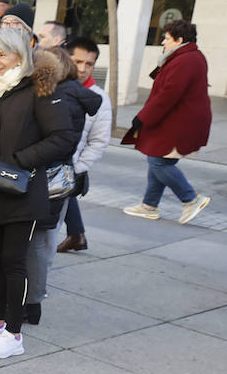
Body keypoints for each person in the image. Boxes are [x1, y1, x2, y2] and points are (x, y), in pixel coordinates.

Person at [0, 27, 77, 359]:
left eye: (3, 54)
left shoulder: (38, 89)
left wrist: (21, 161)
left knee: (13, 261)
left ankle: (14, 332)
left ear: (20, 55)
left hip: (22, 189)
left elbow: (63, 137)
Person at [22, 47, 101, 325]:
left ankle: (31, 302)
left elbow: (54, 141)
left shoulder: (59, 97)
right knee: (42, 241)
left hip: (47, 178)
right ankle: (32, 300)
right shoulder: (72, 94)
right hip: (59, 178)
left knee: (37, 244)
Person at [123, 19, 211, 225]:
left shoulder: (186, 60)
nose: (163, 42)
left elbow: (167, 95)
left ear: (179, 40)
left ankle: (191, 199)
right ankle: (149, 205)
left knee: (158, 161)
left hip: (180, 122)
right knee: (160, 160)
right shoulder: (187, 56)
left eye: (167, 38)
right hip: (179, 120)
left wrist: (142, 118)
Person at [58, 36, 112, 252]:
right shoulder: (51, 87)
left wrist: (78, 168)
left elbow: (99, 141)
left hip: (66, 176)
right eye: (77, 62)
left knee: (48, 236)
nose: (82, 69)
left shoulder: (99, 98)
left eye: (89, 64)